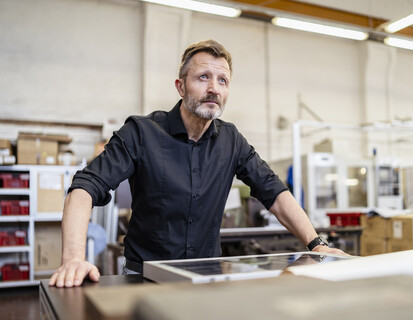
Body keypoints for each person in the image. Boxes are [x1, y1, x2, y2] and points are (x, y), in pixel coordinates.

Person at [49, 39, 346, 288]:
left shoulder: (232, 140)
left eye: (222, 80)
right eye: (203, 77)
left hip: (205, 279)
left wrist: (316, 243)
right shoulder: (141, 133)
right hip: (145, 279)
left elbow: (274, 191)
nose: (214, 88)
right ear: (180, 86)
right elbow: (85, 187)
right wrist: (74, 257)